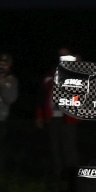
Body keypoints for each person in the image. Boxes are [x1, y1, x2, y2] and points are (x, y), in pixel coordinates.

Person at [35, 49, 79, 180]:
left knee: (69, 148)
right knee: (54, 148)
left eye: (66, 55)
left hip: (69, 119)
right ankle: (58, 176)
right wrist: (39, 115)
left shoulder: (77, 75)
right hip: (52, 117)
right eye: (61, 55)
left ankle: (72, 176)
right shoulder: (50, 75)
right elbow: (42, 96)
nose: (63, 58)